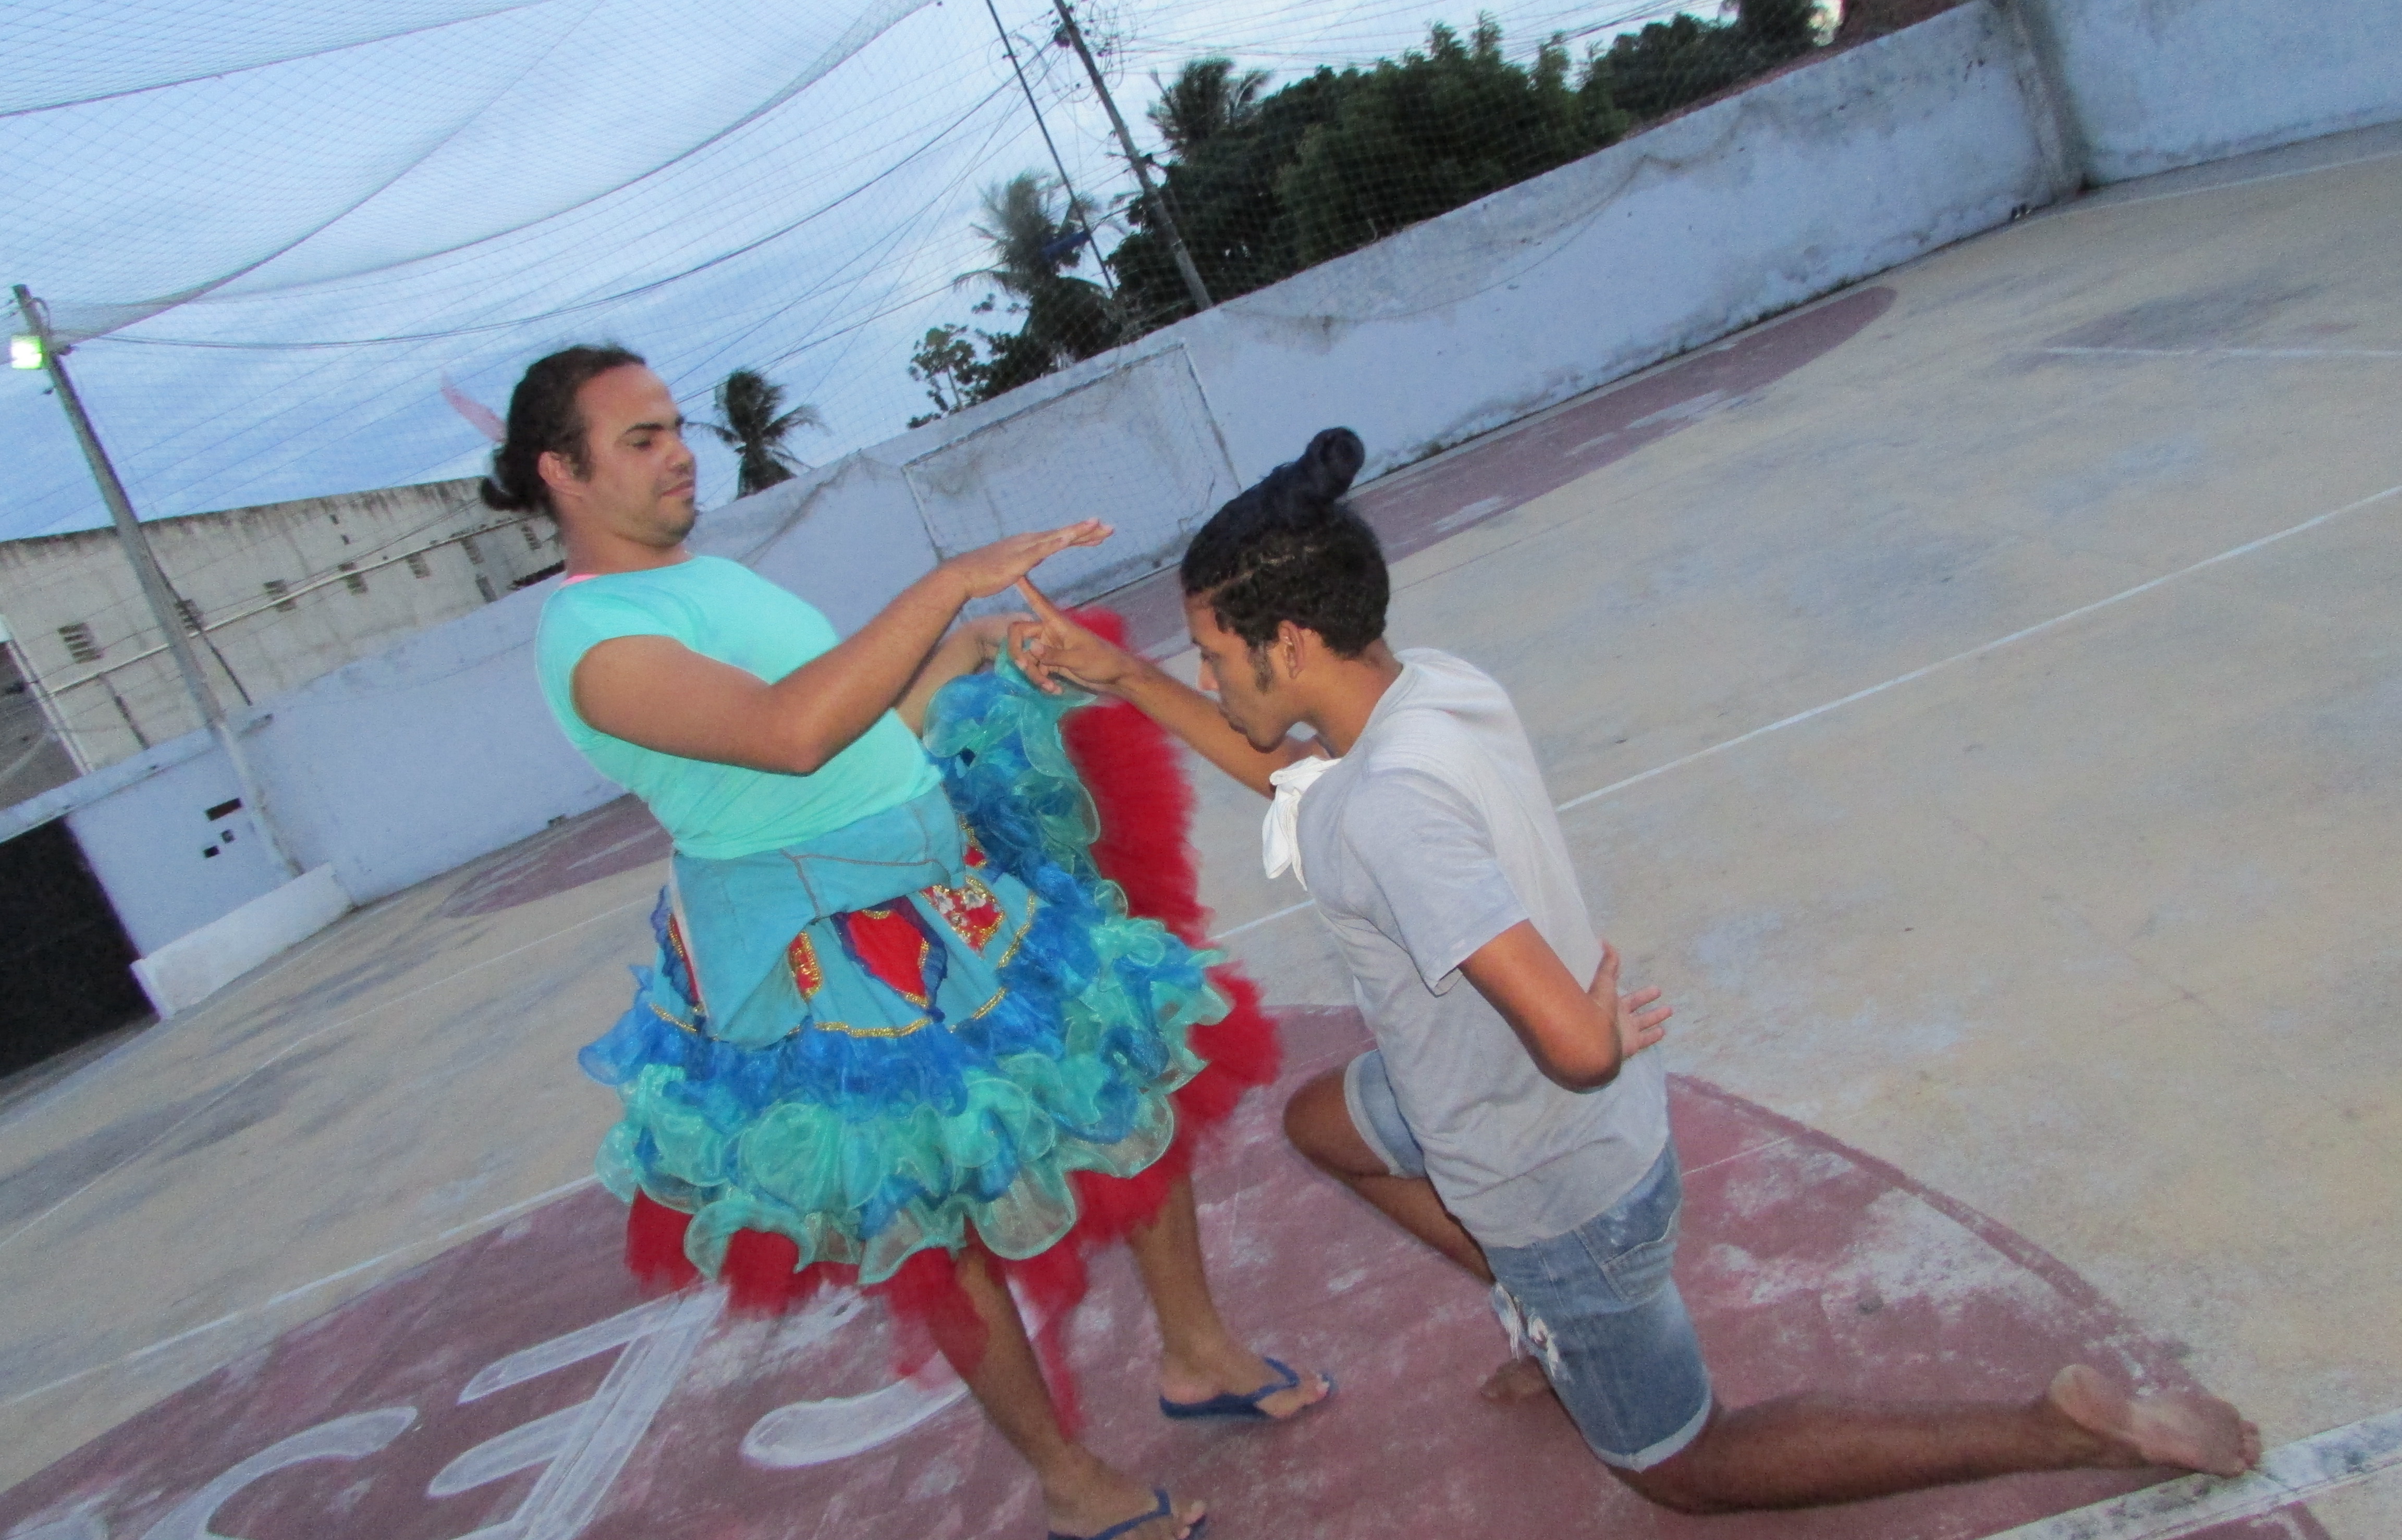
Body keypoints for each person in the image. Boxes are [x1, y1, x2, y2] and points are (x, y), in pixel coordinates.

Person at [1008, 426, 2262, 1517]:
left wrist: (1590, 1040)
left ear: (1287, 644)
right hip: (1482, 1098)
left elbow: (1565, 1039)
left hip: (1555, 1184)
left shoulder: (1386, 812)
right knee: (1323, 1122)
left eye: (1213, 654)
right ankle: (1542, 1315)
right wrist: (1122, 676)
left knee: (1682, 1468)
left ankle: (2057, 1429)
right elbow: (1297, 779)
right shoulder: (1424, 691)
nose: (1209, 677)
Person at [485, 345, 1327, 1540]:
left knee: (1121, 1075)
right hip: (829, 958)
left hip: (941, 893)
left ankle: (1198, 1355)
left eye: (677, 427)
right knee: (932, 1218)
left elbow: (861, 726)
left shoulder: (705, 580)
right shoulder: (593, 640)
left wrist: (969, 650)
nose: (680, 455)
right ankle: (1068, 1481)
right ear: (559, 473)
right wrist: (945, 585)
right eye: (641, 439)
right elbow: (790, 735)